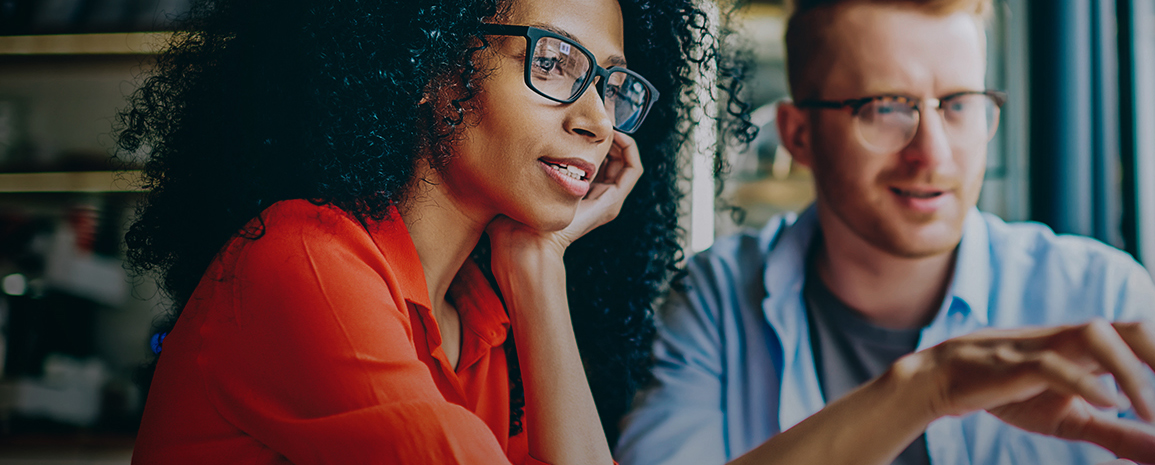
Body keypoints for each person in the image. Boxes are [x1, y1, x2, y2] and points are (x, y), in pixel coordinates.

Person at [614, 0, 1155, 464]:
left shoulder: (1095, 290)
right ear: (799, 134)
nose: (933, 153)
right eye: (886, 109)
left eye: (959, 105)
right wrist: (925, 389)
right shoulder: (718, 299)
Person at [120, 0, 750, 462]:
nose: (598, 122)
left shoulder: (481, 325)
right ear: (431, 67)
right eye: (553, 62)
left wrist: (539, 267)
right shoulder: (302, 261)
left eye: (611, 86)